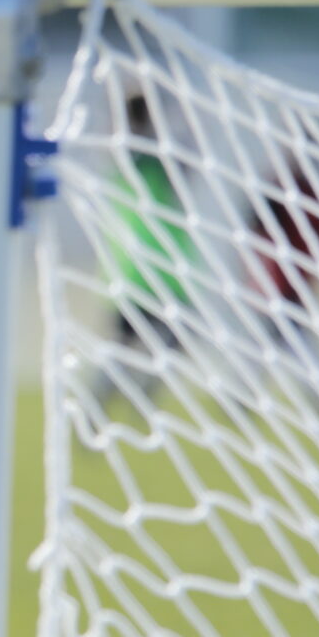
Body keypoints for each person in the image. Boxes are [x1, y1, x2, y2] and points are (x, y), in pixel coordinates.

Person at [78, 90, 198, 416]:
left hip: (130, 272)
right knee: (149, 342)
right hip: (152, 272)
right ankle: (125, 400)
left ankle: (108, 403)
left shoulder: (126, 161)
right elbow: (189, 150)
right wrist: (175, 106)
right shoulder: (149, 162)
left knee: (128, 344)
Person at [243, 143, 319, 394]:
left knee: (281, 338)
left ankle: (316, 393)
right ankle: (317, 393)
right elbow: (258, 226)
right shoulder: (284, 191)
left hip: (294, 277)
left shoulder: (310, 194)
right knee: (281, 338)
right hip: (282, 277)